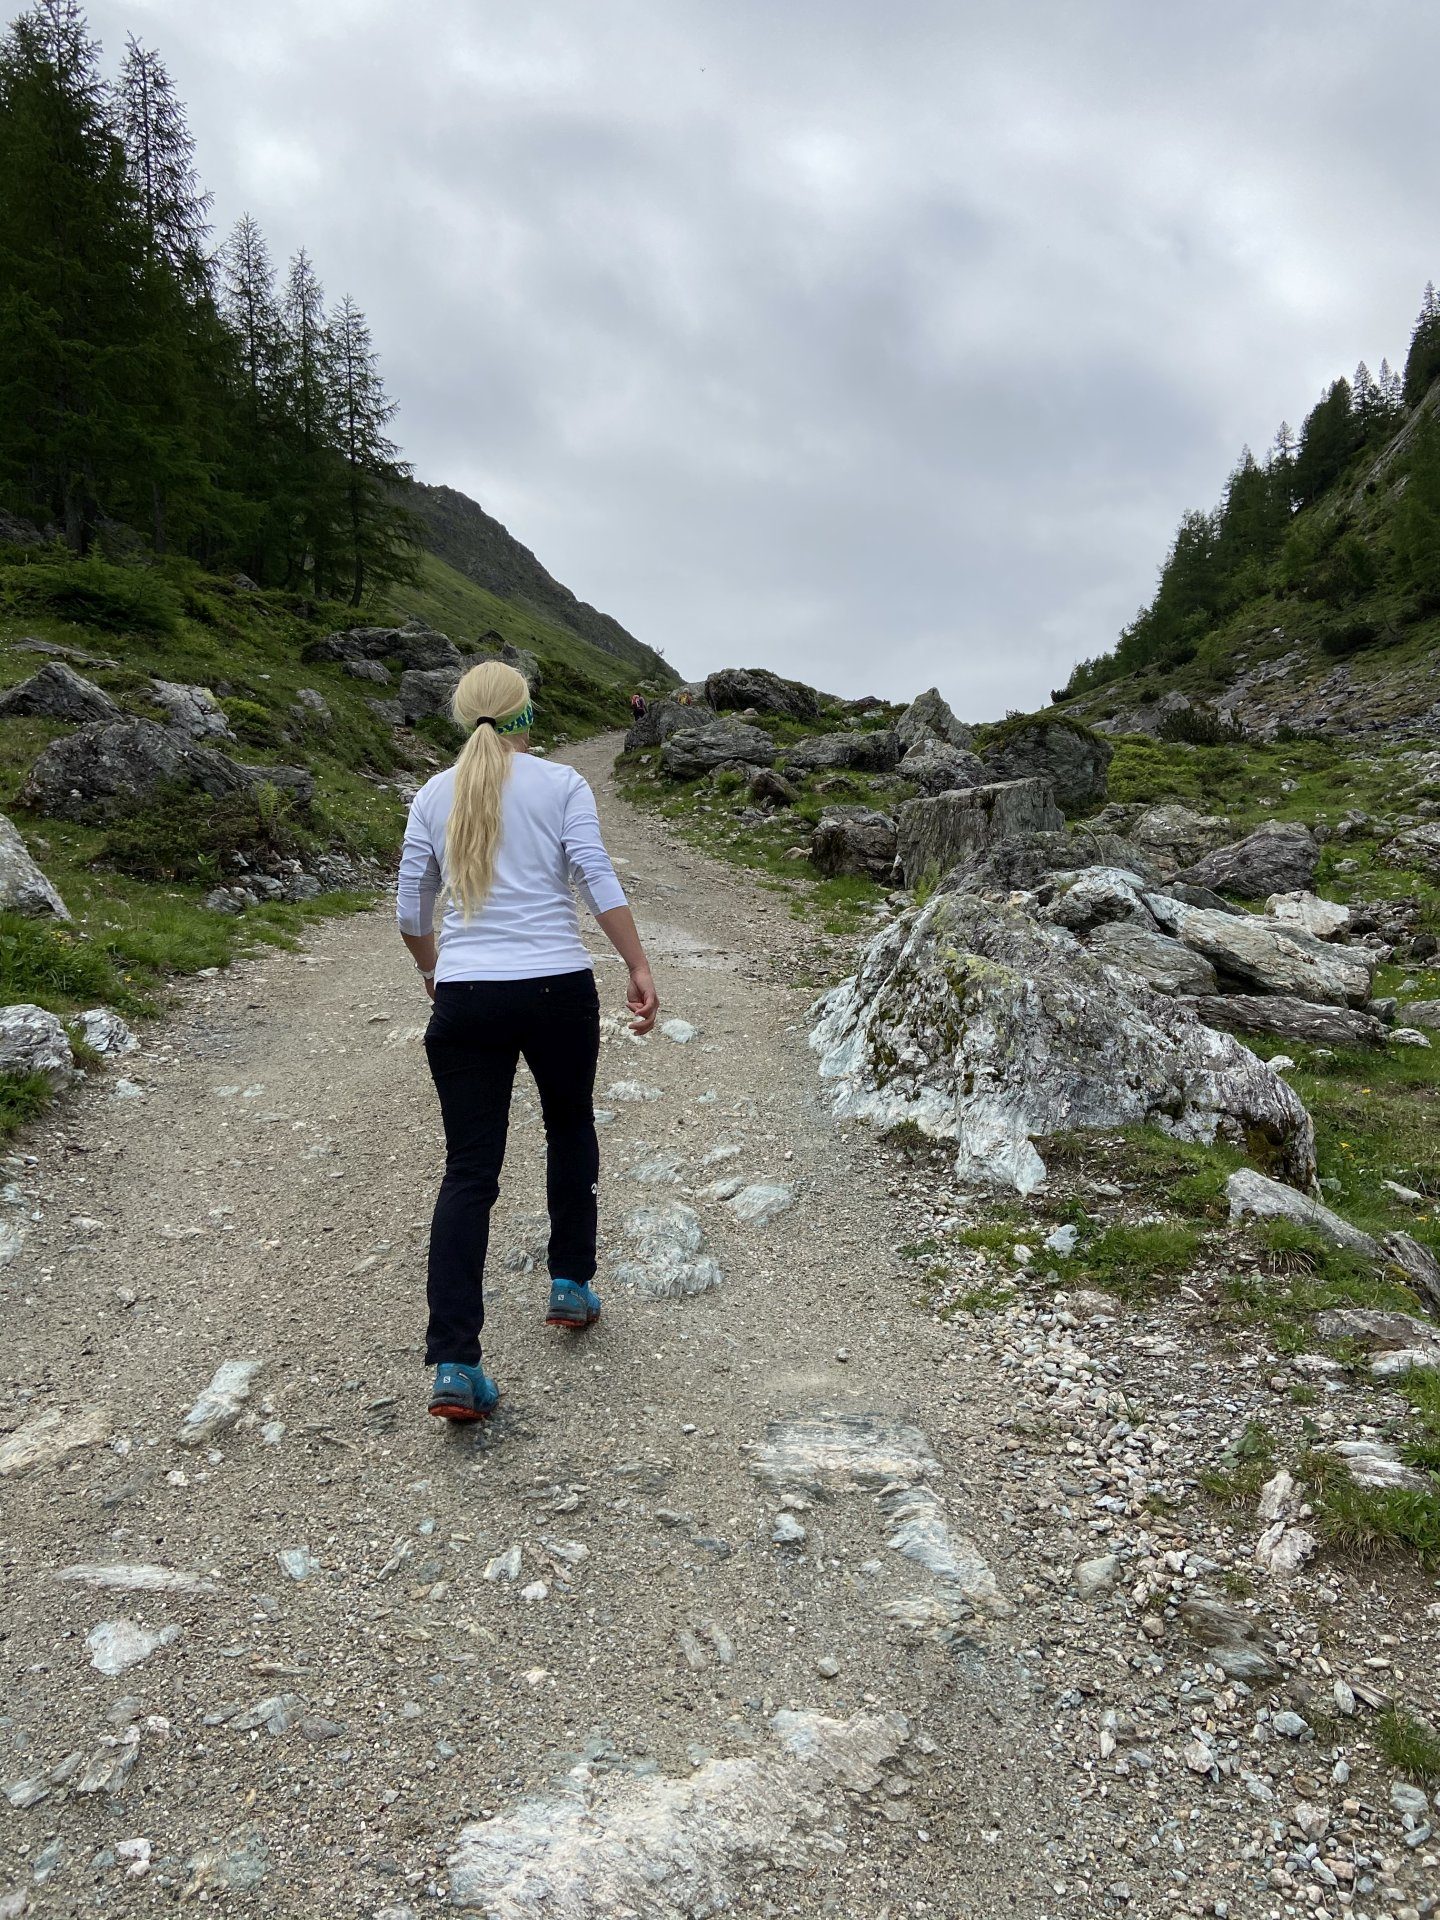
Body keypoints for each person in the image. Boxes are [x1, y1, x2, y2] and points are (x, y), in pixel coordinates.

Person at [396, 660, 659, 1423]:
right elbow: (594, 876)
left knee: (468, 1172)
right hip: (557, 989)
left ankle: (454, 1361)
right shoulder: (562, 784)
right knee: (569, 1126)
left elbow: (412, 906)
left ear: (463, 716)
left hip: (468, 996)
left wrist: (432, 969)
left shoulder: (430, 795)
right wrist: (637, 963)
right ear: (524, 713)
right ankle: (570, 1284)